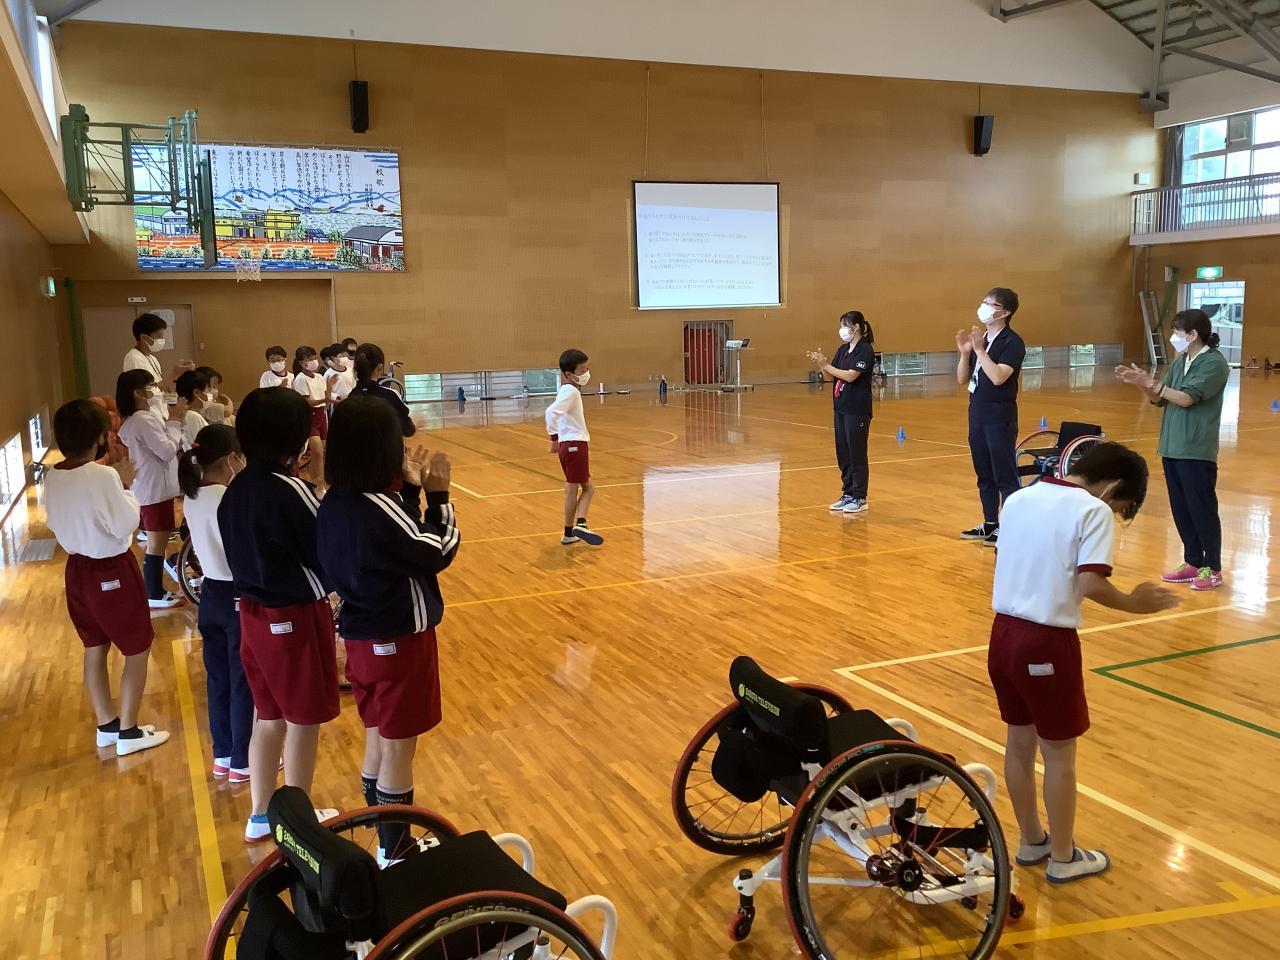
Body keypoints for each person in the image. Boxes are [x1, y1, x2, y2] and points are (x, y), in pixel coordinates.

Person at [989, 442, 1177, 884]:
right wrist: (1133, 603)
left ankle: (1031, 840)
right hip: (1047, 643)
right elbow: (1090, 584)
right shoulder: (1092, 511)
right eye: (1121, 506)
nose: (1116, 513)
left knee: (1019, 743)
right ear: (1113, 487)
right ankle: (1063, 856)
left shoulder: (1019, 498)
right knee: (1059, 754)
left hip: (1002, 636)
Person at [317, 396, 460, 861]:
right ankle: (395, 852)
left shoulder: (335, 501)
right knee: (399, 749)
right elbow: (435, 549)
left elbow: (397, 541)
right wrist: (439, 497)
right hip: (398, 641)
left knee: (378, 736)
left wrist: (410, 493)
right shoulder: (376, 505)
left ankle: (381, 836)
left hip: (362, 637)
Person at [218, 387, 340, 842]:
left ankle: (261, 814)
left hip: (252, 616)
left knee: (268, 718)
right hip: (293, 619)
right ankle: (298, 822)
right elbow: (325, 548)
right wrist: (322, 486)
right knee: (303, 721)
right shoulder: (291, 491)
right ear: (299, 441)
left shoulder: (234, 490)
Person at [44, 399, 171, 756]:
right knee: (138, 647)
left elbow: (56, 520)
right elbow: (126, 523)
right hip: (111, 569)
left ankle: (107, 726)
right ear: (100, 437)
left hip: (77, 570)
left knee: (94, 646)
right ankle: (129, 730)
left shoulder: (53, 475)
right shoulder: (103, 476)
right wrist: (126, 484)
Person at [1116, 308, 1231, 590]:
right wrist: (1143, 384)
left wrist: (1153, 384)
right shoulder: (1181, 361)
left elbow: (1186, 398)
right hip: (1172, 447)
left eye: (1178, 331)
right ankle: (1192, 561)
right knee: (1181, 508)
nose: (1174, 336)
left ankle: (1212, 567)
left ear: (1193, 334)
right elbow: (1160, 398)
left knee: (1201, 508)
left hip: (1196, 449)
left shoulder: (1214, 363)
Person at [179, 424, 253, 782]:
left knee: (218, 678)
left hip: (210, 595)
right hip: (236, 594)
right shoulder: (229, 497)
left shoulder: (192, 496)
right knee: (242, 680)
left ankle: (222, 754)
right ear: (232, 458)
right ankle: (243, 759)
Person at [956, 287, 1026, 547]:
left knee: (1004, 475)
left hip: (999, 416)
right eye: (983, 301)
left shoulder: (1012, 342)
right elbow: (962, 379)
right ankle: (990, 523)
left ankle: (1009, 526)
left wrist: (980, 351)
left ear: (1004, 312)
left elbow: (998, 377)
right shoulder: (982, 338)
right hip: (977, 413)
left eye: (991, 304)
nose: (984, 307)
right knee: (983, 473)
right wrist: (966, 353)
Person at [115, 369, 185, 608]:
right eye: (150, 386)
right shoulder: (142, 420)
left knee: (159, 540)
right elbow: (166, 450)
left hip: (152, 486)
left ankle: (155, 590)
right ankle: (153, 592)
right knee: (157, 542)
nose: (155, 390)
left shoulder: (136, 419)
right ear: (138, 392)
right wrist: (175, 422)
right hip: (154, 489)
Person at [807, 311, 875, 514]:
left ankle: (859, 496)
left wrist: (827, 365)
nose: (842, 330)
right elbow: (831, 377)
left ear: (856, 327)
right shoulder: (843, 349)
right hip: (841, 408)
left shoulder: (865, 350)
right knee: (843, 454)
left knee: (856, 453)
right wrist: (822, 365)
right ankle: (847, 493)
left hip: (857, 409)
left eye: (845, 325)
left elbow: (851, 376)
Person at [545, 349, 604, 546]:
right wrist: (554, 438)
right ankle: (579, 525)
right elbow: (550, 412)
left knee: (583, 488)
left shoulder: (567, 390)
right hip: (575, 446)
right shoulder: (570, 392)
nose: (586, 374)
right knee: (579, 490)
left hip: (569, 445)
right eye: (582, 371)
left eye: (587, 369)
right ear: (569, 374)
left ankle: (570, 532)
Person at [123, 312, 194, 418]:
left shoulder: (152, 358)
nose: (162, 340)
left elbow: (162, 392)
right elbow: (149, 393)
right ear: (144, 337)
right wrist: (174, 374)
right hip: (149, 415)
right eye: (158, 337)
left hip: (161, 412)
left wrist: (179, 404)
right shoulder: (134, 358)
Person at [350, 342, 415, 437]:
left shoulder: (349, 398)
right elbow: (407, 430)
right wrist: (415, 424)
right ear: (380, 367)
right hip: (385, 446)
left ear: (355, 368)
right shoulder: (389, 396)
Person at [292, 345, 330, 491]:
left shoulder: (319, 377)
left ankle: (318, 481)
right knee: (317, 451)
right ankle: (317, 483)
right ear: (301, 362)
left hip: (321, 415)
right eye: (308, 359)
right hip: (310, 416)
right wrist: (325, 400)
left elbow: (326, 397)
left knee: (320, 454)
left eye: (314, 357)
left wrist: (330, 391)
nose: (313, 361)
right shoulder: (301, 379)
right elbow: (307, 402)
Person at [175, 369, 210, 450]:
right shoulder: (191, 416)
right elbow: (199, 448)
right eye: (207, 391)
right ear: (196, 392)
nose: (209, 395)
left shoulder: (185, 414)